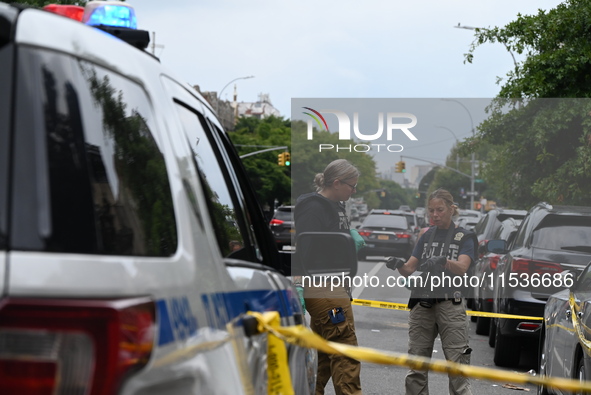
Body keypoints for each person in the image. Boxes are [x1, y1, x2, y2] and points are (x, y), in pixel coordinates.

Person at [386, 188, 476, 395]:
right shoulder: (425, 236)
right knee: (417, 364)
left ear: (451, 209)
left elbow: (463, 267)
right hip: (422, 303)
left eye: (440, 210)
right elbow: (409, 269)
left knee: (457, 367)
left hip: (449, 304)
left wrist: (444, 261)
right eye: (431, 211)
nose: (435, 215)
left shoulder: (465, 236)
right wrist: (398, 263)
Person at [295, 159, 363, 395]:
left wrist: (347, 235)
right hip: (325, 291)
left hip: (335, 288)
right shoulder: (313, 207)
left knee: (323, 353)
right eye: (351, 186)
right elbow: (304, 246)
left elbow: (329, 241)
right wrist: (299, 283)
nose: (354, 191)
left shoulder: (336, 205)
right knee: (344, 345)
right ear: (336, 183)